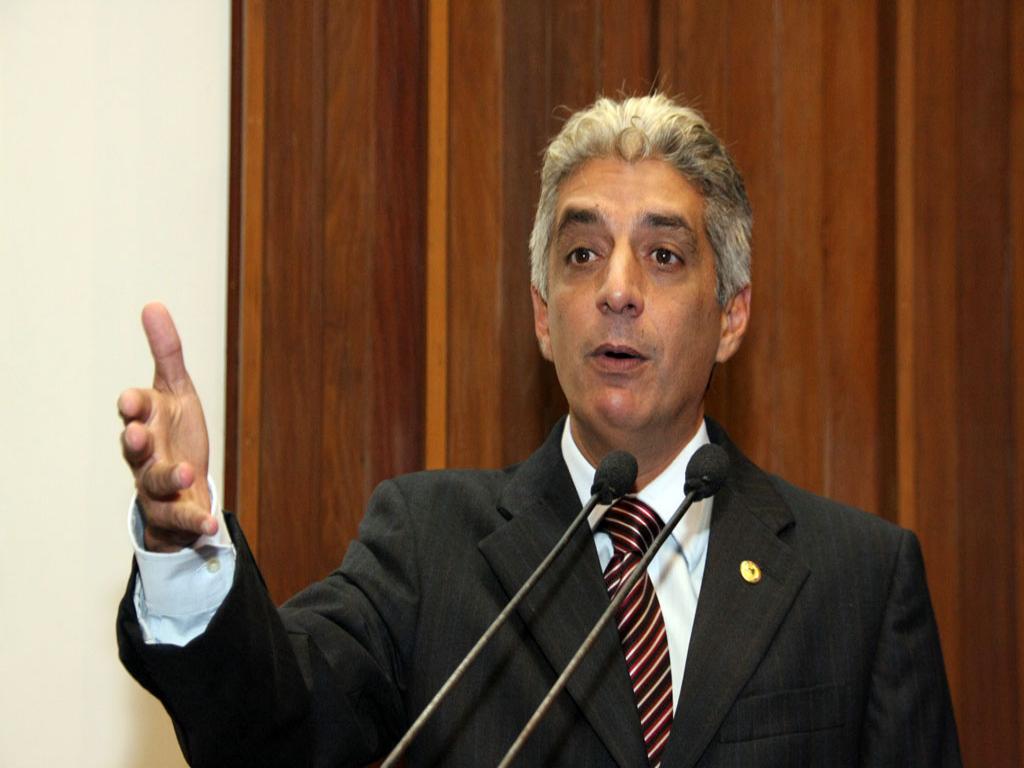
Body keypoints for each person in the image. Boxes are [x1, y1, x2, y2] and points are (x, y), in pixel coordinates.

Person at [117, 94, 961, 767]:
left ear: (732, 315)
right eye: (582, 254)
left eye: (663, 255)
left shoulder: (860, 580)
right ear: (544, 315)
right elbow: (274, 731)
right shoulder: (429, 549)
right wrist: (181, 546)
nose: (617, 291)